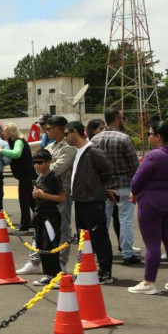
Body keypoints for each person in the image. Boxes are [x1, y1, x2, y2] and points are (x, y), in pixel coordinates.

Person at [128, 121, 168, 294]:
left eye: (150, 133)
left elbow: (137, 181)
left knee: (152, 242)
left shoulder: (154, 155)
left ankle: (148, 282)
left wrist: (135, 193)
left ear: (158, 136)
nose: (148, 136)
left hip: (152, 202)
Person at [18, 116, 77, 275]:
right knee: (40, 229)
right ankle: (35, 261)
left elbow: (56, 168)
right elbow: (43, 166)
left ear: (58, 128)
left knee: (62, 230)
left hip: (59, 193)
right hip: (43, 196)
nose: (45, 129)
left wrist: (46, 165)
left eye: (47, 127)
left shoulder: (69, 148)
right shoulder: (50, 146)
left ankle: (61, 264)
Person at [66, 120, 116, 284]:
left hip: (92, 201)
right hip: (81, 200)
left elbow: (106, 171)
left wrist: (100, 188)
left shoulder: (92, 151)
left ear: (75, 132)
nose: (65, 137)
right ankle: (86, 268)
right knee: (84, 238)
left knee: (98, 236)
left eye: (67, 133)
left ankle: (105, 270)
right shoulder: (79, 152)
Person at [91, 107, 141, 265]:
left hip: (104, 187)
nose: (123, 120)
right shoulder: (124, 138)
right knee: (125, 220)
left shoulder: (95, 140)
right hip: (123, 184)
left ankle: (101, 254)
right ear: (117, 119)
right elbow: (135, 165)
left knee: (103, 222)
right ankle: (127, 253)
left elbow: (92, 165)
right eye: (122, 118)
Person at [30, 149, 66, 286]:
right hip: (40, 214)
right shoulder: (39, 178)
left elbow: (62, 197)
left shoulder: (54, 177)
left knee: (50, 244)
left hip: (50, 216)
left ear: (48, 162)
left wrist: (44, 195)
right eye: (34, 163)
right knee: (41, 245)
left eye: (40, 162)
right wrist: (36, 195)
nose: (37, 165)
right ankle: (49, 274)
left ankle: (56, 274)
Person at [0, 123, 35, 231]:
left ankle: (25, 225)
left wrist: (0, 150)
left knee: (24, 200)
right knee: (31, 201)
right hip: (26, 176)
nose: (3, 133)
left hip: (26, 176)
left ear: (12, 131)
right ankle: (37, 221)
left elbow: (16, 154)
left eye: (5, 131)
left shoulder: (18, 141)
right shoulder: (12, 141)